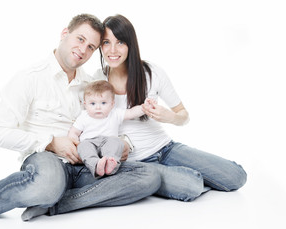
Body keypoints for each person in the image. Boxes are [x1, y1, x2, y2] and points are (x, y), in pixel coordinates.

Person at [0, 14, 161, 221]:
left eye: (91, 46)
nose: (83, 50)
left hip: (86, 162)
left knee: (148, 175)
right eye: (80, 39)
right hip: (46, 160)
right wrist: (52, 142)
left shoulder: (89, 85)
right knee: (48, 183)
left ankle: (56, 204)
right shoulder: (30, 78)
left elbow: (103, 119)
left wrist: (121, 143)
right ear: (65, 34)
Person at [93, 14, 247, 201]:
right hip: (137, 163)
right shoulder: (97, 79)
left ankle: (181, 174)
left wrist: (169, 117)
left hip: (166, 149)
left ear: (130, 44)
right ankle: (177, 177)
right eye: (106, 42)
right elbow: (92, 128)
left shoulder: (151, 73)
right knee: (191, 185)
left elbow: (184, 115)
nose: (112, 50)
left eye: (120, 42)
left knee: (236, 177)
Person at [68, 80, 144, 178]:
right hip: (89, 142)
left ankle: (110, 163)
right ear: (85, 104)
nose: (98, 107)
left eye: (103, 103)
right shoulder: (84, 116)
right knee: (83, 147)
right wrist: (75, 142)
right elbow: (74, 132)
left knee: (117, 142)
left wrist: (143, 108)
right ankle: (96, 165)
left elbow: (131, 113)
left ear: (112, 104)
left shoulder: (115, 113)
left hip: (108, 141)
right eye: (93, 103)